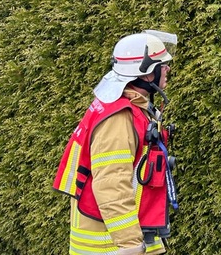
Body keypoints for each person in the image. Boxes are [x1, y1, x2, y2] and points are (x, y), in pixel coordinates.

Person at [53, 30, 179, 255]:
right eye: (162, 64)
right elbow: (111, 185)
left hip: (125, 236)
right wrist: (131, 244)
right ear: (147, 73)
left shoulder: (130, 108)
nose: (168, 68)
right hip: (110, 244)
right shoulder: (119, 119)